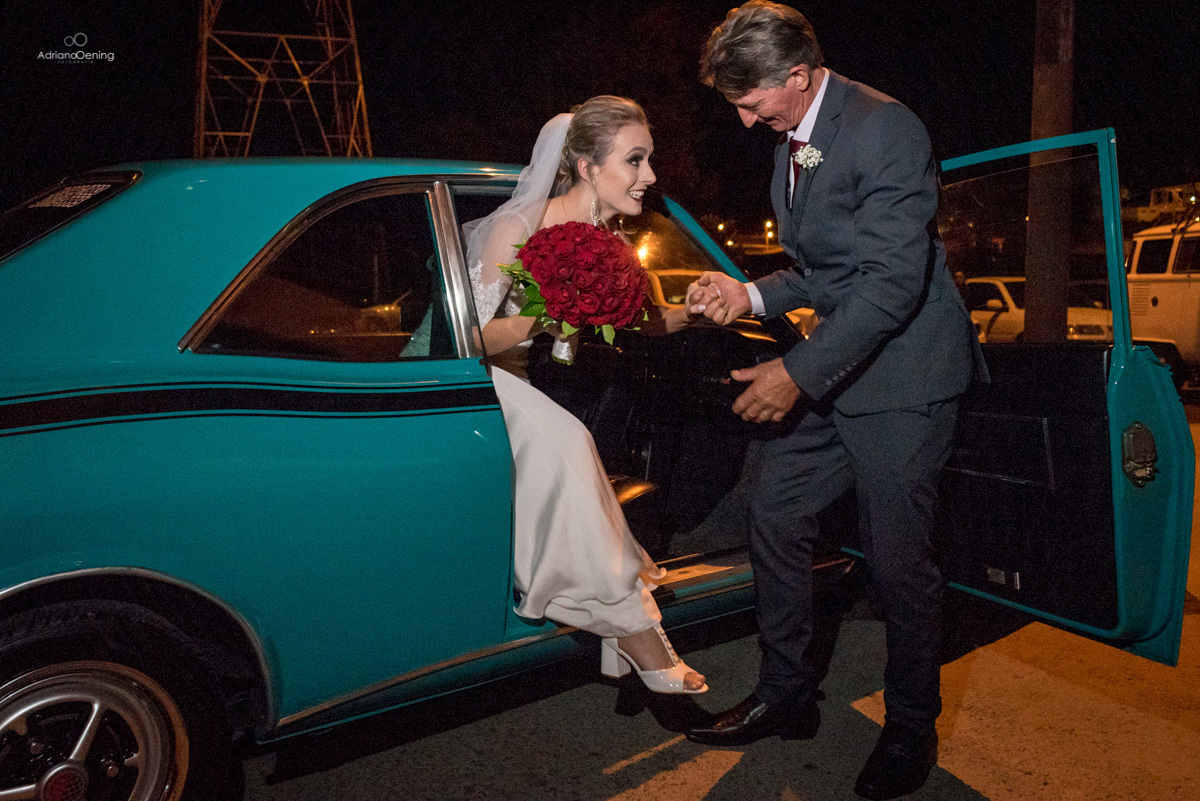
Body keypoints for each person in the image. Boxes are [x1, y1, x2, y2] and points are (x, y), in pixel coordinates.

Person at [683, 4, 987, 799]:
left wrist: (795, 374)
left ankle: (911, 727)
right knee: (775, 514)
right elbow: (823, 269)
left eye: (752, 103)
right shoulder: (796, 140)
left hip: (906, 382)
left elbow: (891, 283)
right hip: (843, 369)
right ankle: (788, 694)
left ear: (797, 74)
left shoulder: (885, 127)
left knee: (897, 566)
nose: (748, 122)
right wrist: (746, 293)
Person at [467, 95, 708, 695]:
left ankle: (618, 632)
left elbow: (644, 322)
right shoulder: (515, 228)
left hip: (534, 382)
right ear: (587, 167)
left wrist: (701, 311)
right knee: (571, 440)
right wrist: (544, 313)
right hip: (477, 382)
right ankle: (635, 635)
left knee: (581, 439)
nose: (649, 177)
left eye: (648, 161)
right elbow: (470, 338)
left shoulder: (609, 242)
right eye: (635, 160)